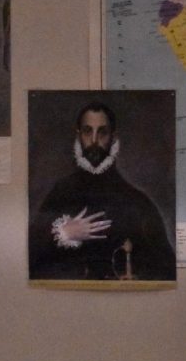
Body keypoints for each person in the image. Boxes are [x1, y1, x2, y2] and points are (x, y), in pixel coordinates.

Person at [29, 101, 175, 281]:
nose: (94, 141)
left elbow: (165, 268)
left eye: (102, 132)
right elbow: (30, 256)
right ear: (79, 135)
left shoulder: (136, 201)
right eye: (87, 131)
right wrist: (63, 233)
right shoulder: (61, 192)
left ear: (113, 137)